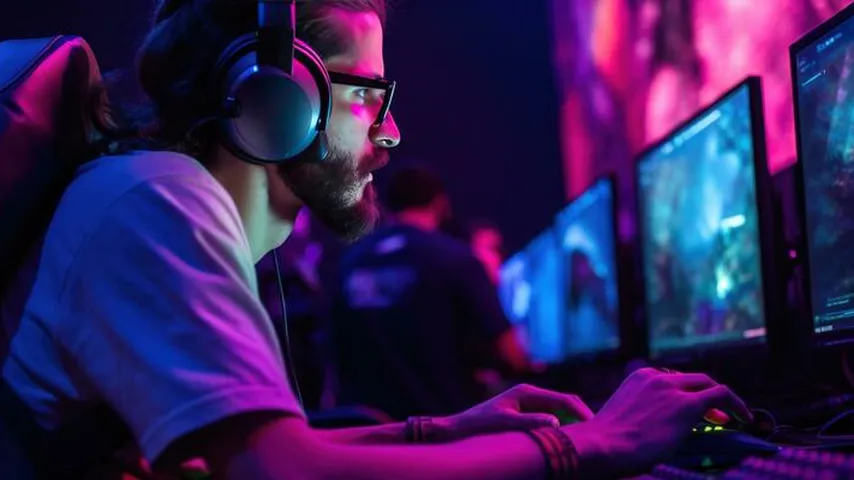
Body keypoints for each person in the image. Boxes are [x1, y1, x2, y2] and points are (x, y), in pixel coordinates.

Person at [0, 0, 752, 478]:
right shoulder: (157, 201)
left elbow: (259, 451)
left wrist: (448, 430)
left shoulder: (145, 194)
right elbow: (284, 472)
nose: (389, 133)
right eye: (366, 94)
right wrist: (601, 443)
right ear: (273, 100)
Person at [331, 166, 534, 420]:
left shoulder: (347, 265)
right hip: (441, 430)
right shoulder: (456, 258)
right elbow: (513, 355)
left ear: (386, 204)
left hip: (366, 431)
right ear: (440, 203)